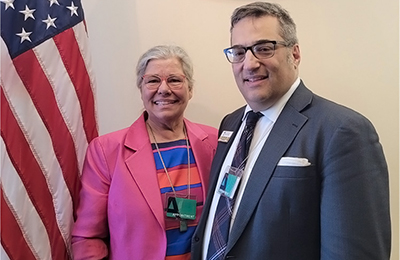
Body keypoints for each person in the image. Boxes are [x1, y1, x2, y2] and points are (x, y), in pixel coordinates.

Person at [191, 2, 391, 260]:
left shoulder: (342, 131)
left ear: (294, 54)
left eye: (264, 49)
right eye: (239, 52)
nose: (249, 64)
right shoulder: (230, 124)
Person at [71, 45, 218, 259]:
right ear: (141, 89)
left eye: (175, 80)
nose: (164, 89)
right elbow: (87, 237)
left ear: (190, 89)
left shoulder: (215, 141)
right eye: (153, 80)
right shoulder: (106, 151)